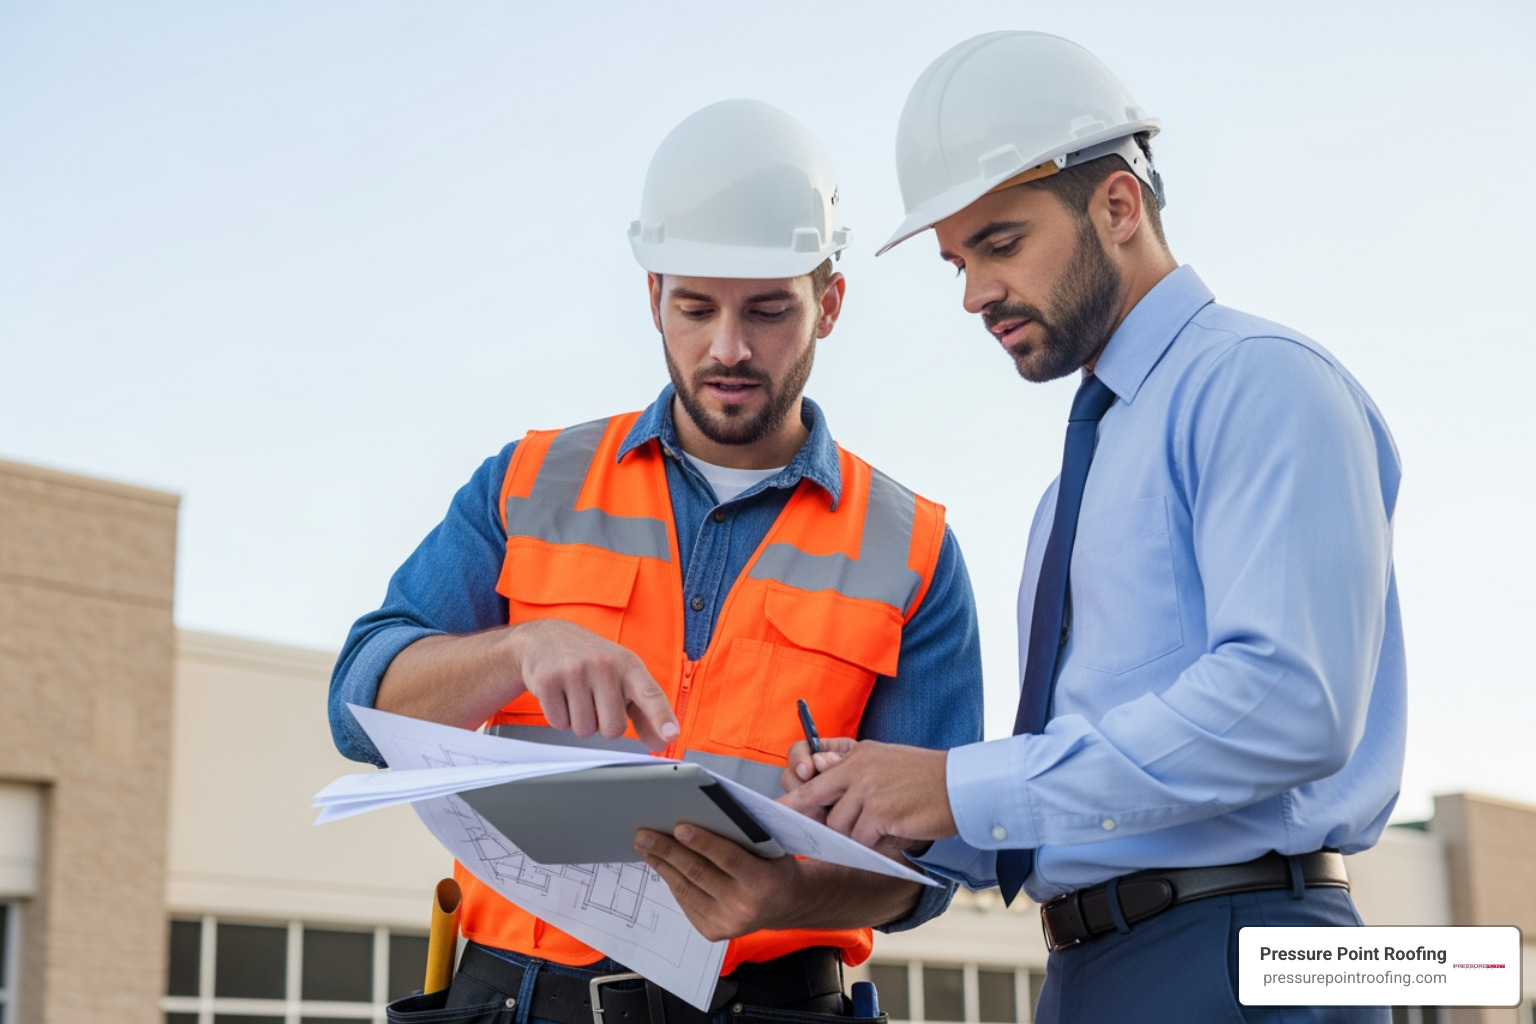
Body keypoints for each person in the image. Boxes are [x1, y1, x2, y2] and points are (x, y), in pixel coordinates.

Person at [782, 32, 1404, 1024]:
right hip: (1093, 967)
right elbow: (1085, 789)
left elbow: (1290, 703)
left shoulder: (1262, 383)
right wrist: (889, 805)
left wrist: (960, 786)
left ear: (1118, 206)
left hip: (1245, 952)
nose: (974, 294)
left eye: (1000, 244)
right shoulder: (1078, 482)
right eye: (956, 262)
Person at [327, 98, 983, 1024]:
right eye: (695, 308)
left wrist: (789, 896)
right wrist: (517, 650)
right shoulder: (529, 483)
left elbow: (933, 863)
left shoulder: (910, 549)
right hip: (513, 1000)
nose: (728, 348)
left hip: (769, 1006)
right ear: (652, 299)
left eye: (768, 310)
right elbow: (358, 710)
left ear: (829, 305)